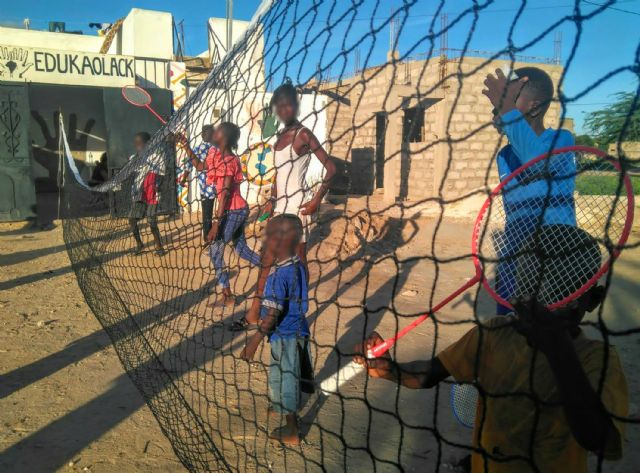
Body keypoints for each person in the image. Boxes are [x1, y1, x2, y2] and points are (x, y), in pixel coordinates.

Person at [354, 225, 628, 473]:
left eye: (562, 297)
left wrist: (558, 349)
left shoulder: (597, 360)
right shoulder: (496, 332)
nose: (545, 307)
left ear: (593, 300)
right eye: (535, 289)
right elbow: (430, 373)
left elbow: (599, 441)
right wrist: (391, 370)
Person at [234, 78, 336, 330]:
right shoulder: (279, 137)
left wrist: (316, 200)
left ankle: (297, 315)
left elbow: (331, 168)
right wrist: (271, 200)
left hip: (298, 208)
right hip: (280, 209)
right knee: (267, 262)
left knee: (299, 263)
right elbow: (280, 174)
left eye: (287, 104)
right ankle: (253, 315)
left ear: (295, 105)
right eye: (278, 105)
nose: (283, 109)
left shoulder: (304, 134)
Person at [483, 66, 576, 315]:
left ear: (534, 106)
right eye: (497, 106)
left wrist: (507, 111)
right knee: (507, 331)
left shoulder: (561, 140)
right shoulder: (505, 155)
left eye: (508, 102)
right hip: (513, 261)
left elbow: (536, 161)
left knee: (547, 337)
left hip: (554, 260)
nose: (496, 112)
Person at [240, 214, 314, 445]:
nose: (263, 243)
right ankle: (279, 405)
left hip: (285, 334)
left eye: (268, 238)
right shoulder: (297, 267)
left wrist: (254, 341)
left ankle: (292, 428)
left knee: (286, 376)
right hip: (298, 329)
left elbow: (272, 314)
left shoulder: (277, 278)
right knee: (283, 371)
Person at [202, 122, 261, 305]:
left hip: (234, 210)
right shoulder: (218, 156)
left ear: (224, 138)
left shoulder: (229, 160)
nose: (214, 132)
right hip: (236, 210)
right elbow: (199, 166)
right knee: (241, 249)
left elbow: (226, 193)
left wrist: (216, 224)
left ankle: (227, 296)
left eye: (218, 131)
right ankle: (270, 266)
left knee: (215, 251)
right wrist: (185, 145)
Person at [129, 132, 166, 256]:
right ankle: (139, 244)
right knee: (132, 219)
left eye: (140, 144)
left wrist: (157, 186)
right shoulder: (134, 158)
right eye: (136, 144)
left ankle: (159, 247)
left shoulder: (157, 157)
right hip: (139, 194)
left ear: (148, 144)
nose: (138, 146)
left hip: (152, 193)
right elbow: (131, 175)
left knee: (151, 220)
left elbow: (162, 175)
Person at [178, 124, 217, 240]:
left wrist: (183, 179)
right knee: (221, 212)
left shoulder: (195, 150)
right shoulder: (217, 149)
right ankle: (214, 234)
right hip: (220, 186)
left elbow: (188, 166)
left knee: (207, 214)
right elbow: (189, 166)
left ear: (202, 135)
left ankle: (207, 237)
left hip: (206, 189)